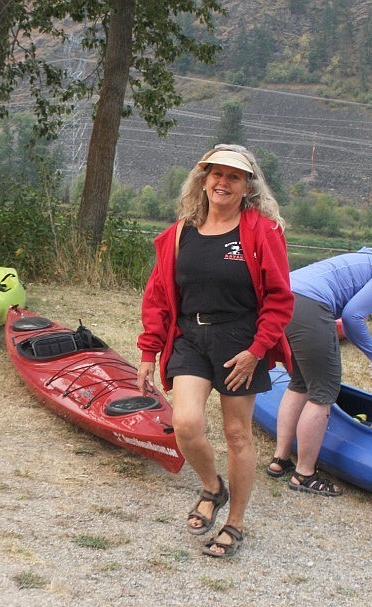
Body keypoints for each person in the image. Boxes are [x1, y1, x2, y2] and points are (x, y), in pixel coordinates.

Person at [137, 144, 294, 558]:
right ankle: (212, 486)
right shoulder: (179, 234)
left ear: (247, 186)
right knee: (185, 423)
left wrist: (257, 350)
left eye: (234, 176)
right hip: (190, 336)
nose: (223, 183)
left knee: (238, 434)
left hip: (240, 341)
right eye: (216, 174)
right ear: (203, 180)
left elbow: (280, 299)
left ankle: (236, 523)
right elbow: (157, 296)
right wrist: (149, 351)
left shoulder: (262, 231)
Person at [267, 234, 372, 493]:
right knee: (324, 392)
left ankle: (280, 460)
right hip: (310, 305)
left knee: (300, 383)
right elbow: (353, 317)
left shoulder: (370, 258)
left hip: (285, 298)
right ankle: (304, 474)